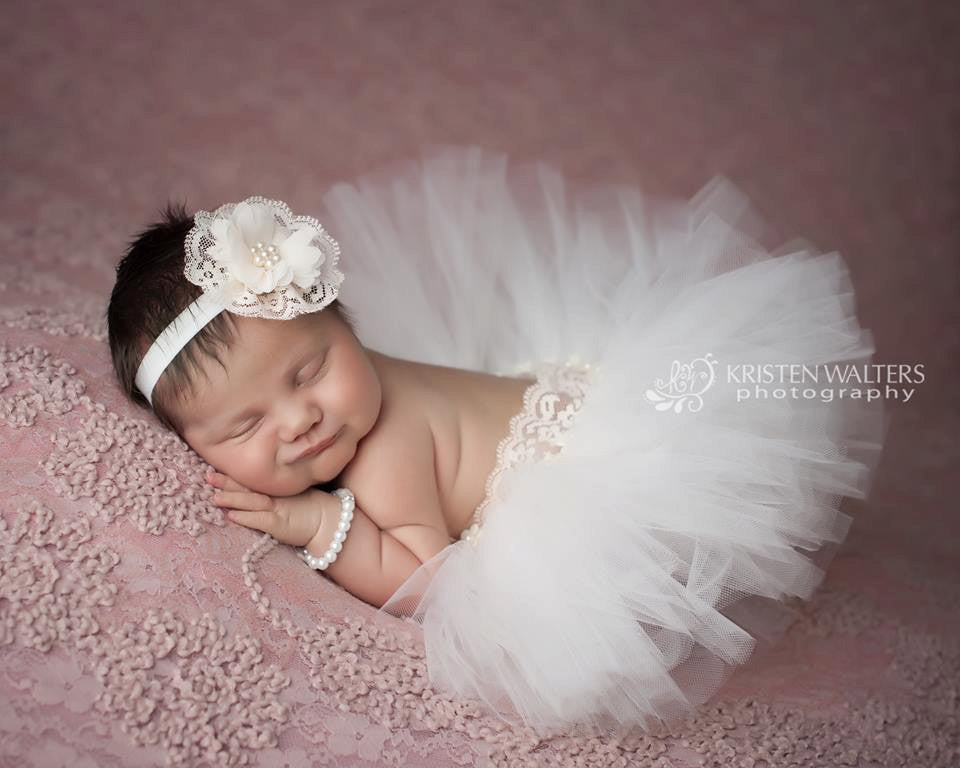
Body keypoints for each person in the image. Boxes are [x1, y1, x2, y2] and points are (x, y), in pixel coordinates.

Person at [107, 145, 887, 737]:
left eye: (312, 369)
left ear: (344, 320)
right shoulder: (349, 397)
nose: (300, 418)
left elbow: (426, 580)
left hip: (594, 473)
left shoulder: (381, 463)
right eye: (246, 426)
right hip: (565, 395)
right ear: (193, 445)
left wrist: (318, 525)